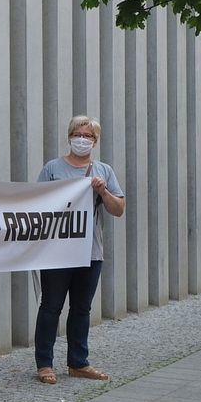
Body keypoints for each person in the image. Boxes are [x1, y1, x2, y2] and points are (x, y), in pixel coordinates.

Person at [33, 114, 126, 385]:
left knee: (81, 309)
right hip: (57, 251)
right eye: (78, 134)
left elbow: (119, 209)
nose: (82, 140)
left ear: (95, 141)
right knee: (51, 306)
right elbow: (35, 203)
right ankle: (44, 363)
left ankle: (78, 361)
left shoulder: (104, 171)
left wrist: (104, 192)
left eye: (88, 136)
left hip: (90, 252)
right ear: (70, 136)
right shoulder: (52, 168)